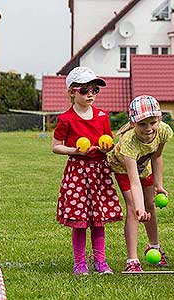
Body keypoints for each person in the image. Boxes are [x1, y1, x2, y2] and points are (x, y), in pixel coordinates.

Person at [52, 66, 123, 275]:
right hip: (78, 172)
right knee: (80, 220)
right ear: (72, 91)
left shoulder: (102, 115)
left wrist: (107, 147)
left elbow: (109, 142)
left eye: (95, 90)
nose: (91, 94)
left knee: (98, 219)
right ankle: (80, 263)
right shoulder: (66, 119)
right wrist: (75, 151)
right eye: (85, 90)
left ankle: (100, 262)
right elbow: (55, 146)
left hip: (99, 171)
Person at [108, 95, 173, 273]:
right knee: (132, 210)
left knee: (150, 205)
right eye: (142, 124)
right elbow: (134, 180)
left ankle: (154, 246)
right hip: (123, 169)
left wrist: (159, 185)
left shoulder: (163, 131)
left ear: (159, 119)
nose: (148, 129)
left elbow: (157, 157)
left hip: (144, 167)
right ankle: (132, 260)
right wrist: (139, 207)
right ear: (133, 123)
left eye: (152, 122)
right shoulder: (128, 141)